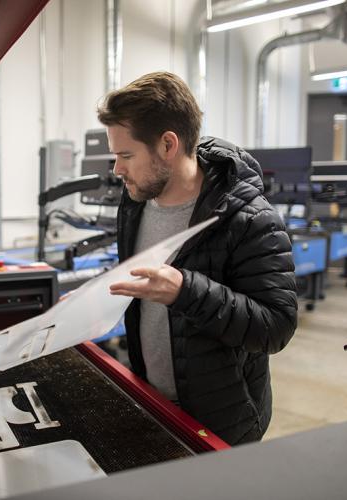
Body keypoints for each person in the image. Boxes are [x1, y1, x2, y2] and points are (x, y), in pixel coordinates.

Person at [100, 71, 297, 445]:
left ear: (168, 145)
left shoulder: (250, 219)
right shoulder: (136, 201)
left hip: (222, 419)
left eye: (126, 155)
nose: (117, 169)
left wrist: (186, 291)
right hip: (153, 401)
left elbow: (276, 327)